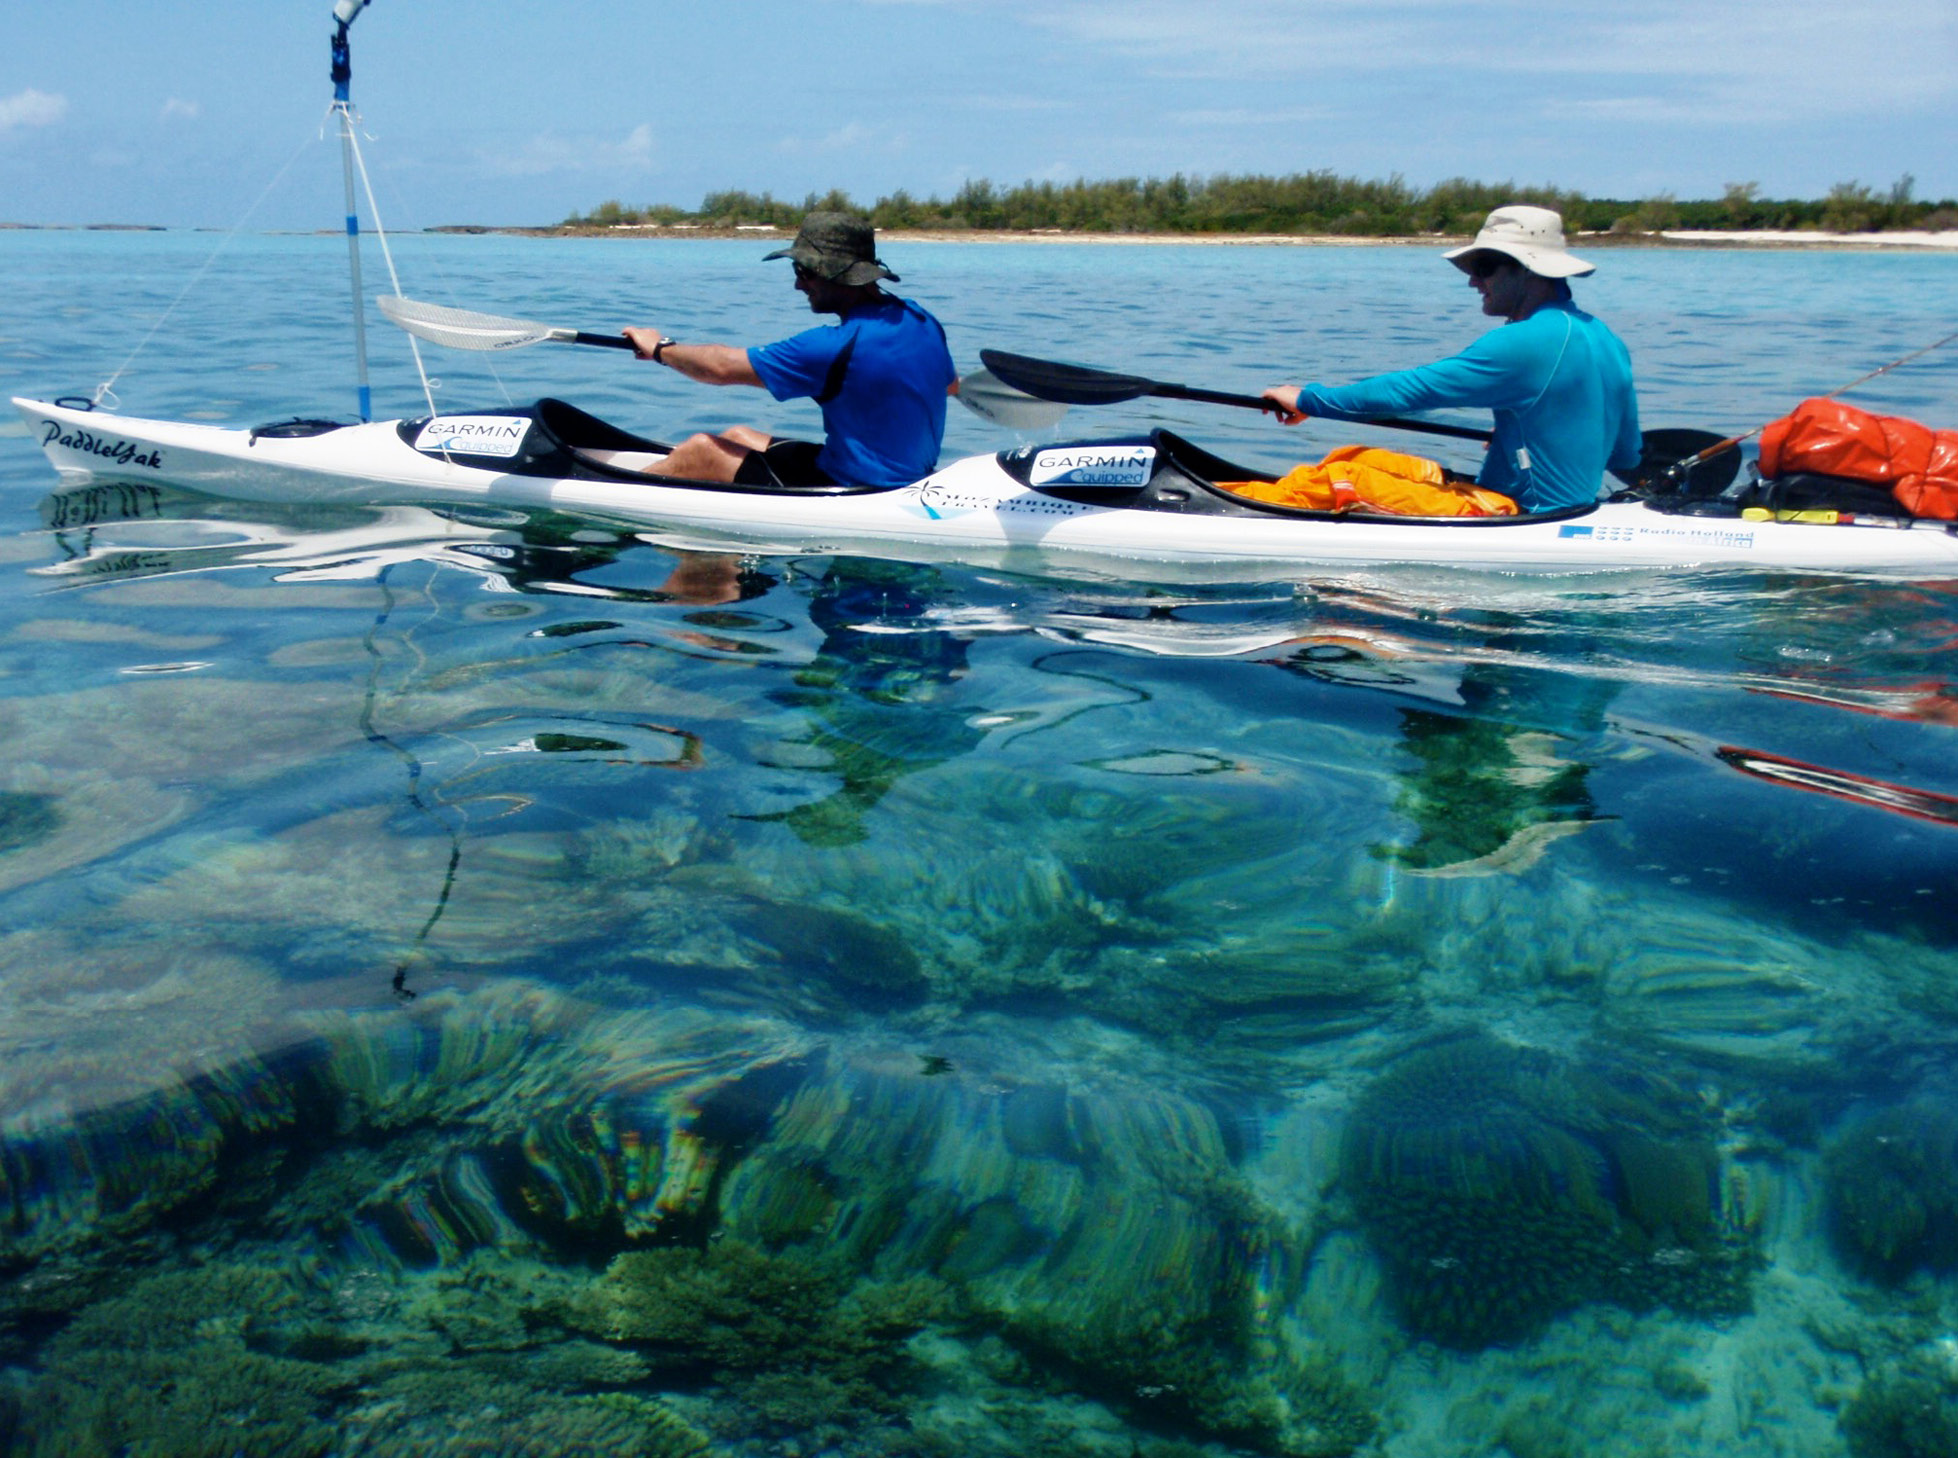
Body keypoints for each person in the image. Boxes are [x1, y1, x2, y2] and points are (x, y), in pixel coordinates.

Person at [1260, 206, 1641, 513]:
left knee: (1339, 476)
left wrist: (1309, 399)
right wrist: (1521, 434)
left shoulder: (1523, 342)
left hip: (1519, 514)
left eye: (1484, 267)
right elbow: (1624, 455)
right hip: (1559, 504)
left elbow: (1407, 393)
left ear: (1527, 270)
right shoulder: (1606, 338)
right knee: (1358, 456)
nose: (1473, 281)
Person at [621, 212, 957, 487]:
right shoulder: (920, 319)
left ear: (837, 273)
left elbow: (720, 368)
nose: (798, 284)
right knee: (739, 435)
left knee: (701, 450)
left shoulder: (834, 347)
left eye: (805, 272)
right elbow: (950, 386)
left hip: (858, 488)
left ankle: (615, 494)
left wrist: (660, 348)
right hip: (905, 476)